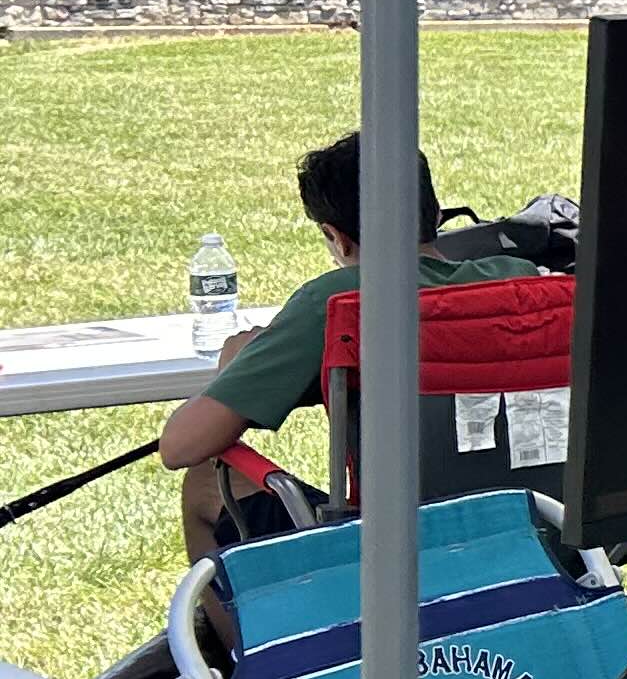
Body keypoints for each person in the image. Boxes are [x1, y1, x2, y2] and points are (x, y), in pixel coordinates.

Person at [155, 133, 535, 554]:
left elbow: (181, 446)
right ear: (436, 213)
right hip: (534, 530)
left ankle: (227, 623)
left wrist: (232, 367)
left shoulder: (340, 301)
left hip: (395, 555)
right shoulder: (521, 278)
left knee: (206, 483)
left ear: (337, 237)